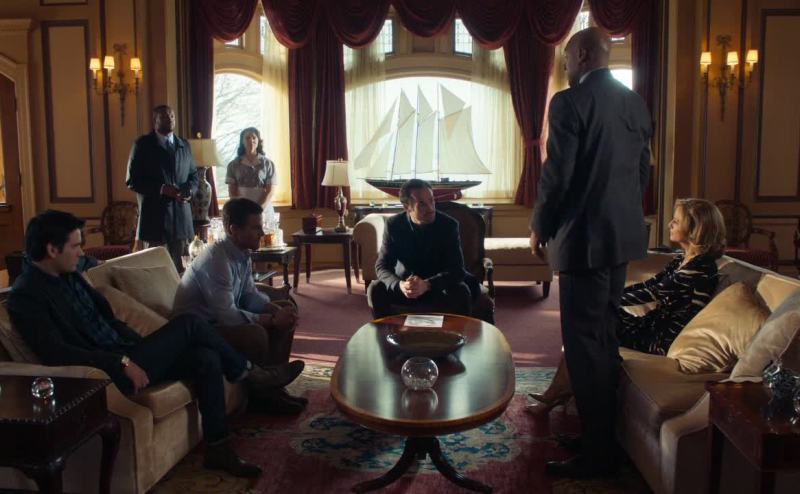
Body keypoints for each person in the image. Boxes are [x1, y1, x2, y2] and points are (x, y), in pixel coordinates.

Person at [8, 210, 306, 478]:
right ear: (52, 250)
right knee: (190, 323)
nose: (81, 252)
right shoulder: (27, 296)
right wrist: (123, 362)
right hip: (109, 371)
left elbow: (107, 316)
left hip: (128, 352)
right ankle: (253, 374)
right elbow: (58, 353)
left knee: (206, 357)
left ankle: (218, 447)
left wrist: (141, 346)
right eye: (75, 246)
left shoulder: (68, 273)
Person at [529, 27, 652, 478]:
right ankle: (601, 440)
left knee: (584, 349)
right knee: (604, 339)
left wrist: (540, 225)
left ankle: (597, 457)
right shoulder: (634, 103)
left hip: (583, 242)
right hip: (620, 239)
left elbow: (557, 175)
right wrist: (623, 216)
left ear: (582, 55)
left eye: (566, 60)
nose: (565, 68)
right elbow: (642, 172)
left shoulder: (569, 102)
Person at [529, 199, 726, 415]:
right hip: (651, 325)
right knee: (588, 324)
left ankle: (560, 393)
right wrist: (608, 297)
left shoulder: (700, 268)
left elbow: (653, 293)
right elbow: (649, 284)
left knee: (589, 326)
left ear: (695, 229)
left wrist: (605, 300)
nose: (670, 223)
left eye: (677, 221)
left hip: (659, 338)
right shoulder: (682, 259)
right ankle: (568, 393)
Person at [173, 197, 305, 414]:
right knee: (255, 334)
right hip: (200, 330)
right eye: (255, 228)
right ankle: (263, 394)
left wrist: (277, 310)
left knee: (287, 306)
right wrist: (272, 320)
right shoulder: (217, 260)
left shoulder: (242, 253)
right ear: (234, 230)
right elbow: (228, 316)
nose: (262, 233)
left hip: (218, 321)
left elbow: (248, 294)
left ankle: (273, 387)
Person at [368, 179, 473, 319]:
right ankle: (387, 332)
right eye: (422, 204)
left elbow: (457, 269)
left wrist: (427, 284)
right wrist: (399, 285)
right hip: (407, 288)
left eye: (432, 201)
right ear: (407, 207)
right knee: (375, 289)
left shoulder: (448, 225)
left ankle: (456, 332)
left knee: (461, 291)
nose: (431, 208)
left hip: (437, 287)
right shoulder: (394, 225)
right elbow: (382, 266)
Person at [126, 105, 198, 270]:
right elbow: (132, 180)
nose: (169, 119)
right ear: (155, 121)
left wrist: (189, 191)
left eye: (171, 116)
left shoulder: (184, 145)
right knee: (156, 272)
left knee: (183, 271)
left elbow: (194, 176)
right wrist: (162, 189)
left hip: (182, 221)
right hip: (155, 223)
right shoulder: (142, 145)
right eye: (164, 117)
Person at [226, 127, 278, 224]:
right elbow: (232, 192)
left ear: (258, 141)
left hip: (263, 210)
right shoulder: (233, 165)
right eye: (247, 138)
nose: (251, 140)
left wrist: (258, 209)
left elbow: (270, 191)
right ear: (242, 141)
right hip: (242, 212)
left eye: (254, 137)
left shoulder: (268, 164)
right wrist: (242, 211)